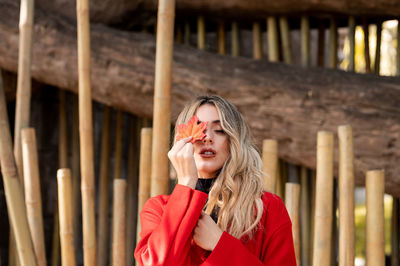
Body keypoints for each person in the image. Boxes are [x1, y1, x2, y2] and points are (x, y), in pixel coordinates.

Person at [134, 95, 296, 265]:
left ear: (233, 141)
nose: (207, 137)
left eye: (219, 130)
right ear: (182, 139)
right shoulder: (158, 210)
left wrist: (220, 244)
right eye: (198, 128)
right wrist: (186, 183)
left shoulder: (266, 208)